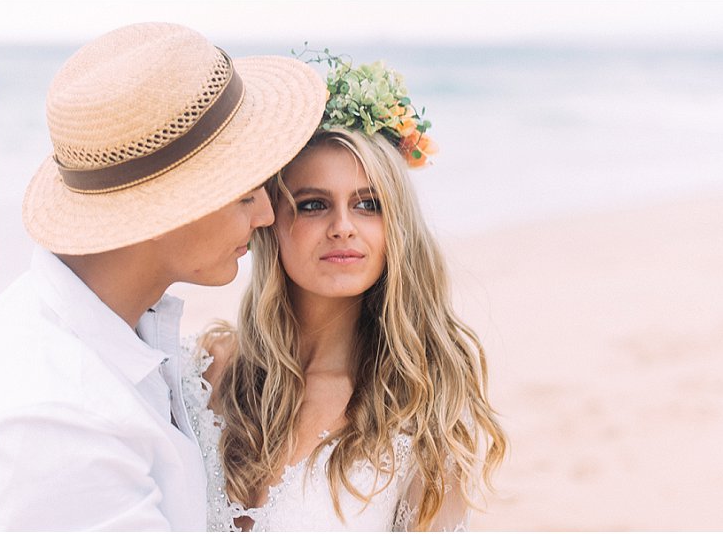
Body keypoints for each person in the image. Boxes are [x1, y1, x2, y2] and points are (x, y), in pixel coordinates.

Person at [0, 22, 326, 531]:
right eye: (243, 192)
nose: (265, 214)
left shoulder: (115, 326)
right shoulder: (63, 426)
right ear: (160, 211)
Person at [180, 54, 507, 531]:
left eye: (368, 205)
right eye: (313, 205)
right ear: (271, 221)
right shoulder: (206, 371)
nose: (342, 228)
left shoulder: (419, 415)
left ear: (396, 227)